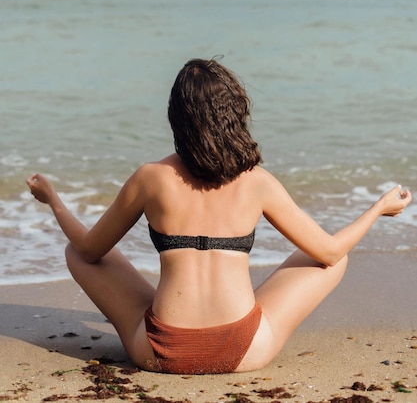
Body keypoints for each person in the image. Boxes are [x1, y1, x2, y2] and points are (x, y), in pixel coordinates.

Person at [26, 58, 412, 375]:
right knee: (331, 257)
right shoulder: (257, 182)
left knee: (77, 251)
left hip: (160, 354)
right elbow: (328, 253)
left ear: (177, 118)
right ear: (235, 113)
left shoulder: (152, 177)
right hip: (244, 351)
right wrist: (378, 208)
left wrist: (53, 200)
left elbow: (90, 250)